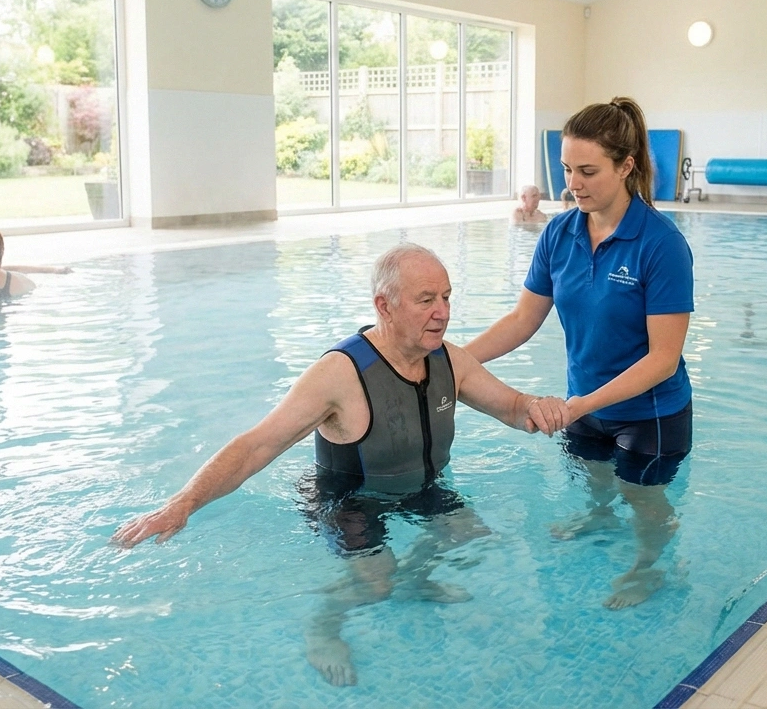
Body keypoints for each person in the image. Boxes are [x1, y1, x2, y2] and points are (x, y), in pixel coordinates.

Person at [112, 243, 569, 688]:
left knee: (471, 537)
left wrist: (538, 407)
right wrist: (184, 502)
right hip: (350, 500)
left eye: (447, 297)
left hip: (420, 486)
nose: (443, 312)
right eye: (426, 300)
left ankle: (417, 579)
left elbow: (511, 406)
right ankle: (323, 627)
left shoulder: (450, 360)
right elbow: (257, 445)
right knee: (375, 584)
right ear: (384, 306)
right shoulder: (340, 373)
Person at [465, 97, 695, 611]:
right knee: (594, 483)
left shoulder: (660, 245)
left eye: (589, 171)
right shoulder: (559, 233)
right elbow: (524, 319)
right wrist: (457, 358)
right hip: (583, 403)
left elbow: (662, 358)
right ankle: (598, 517)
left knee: (646, 502)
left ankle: (650, 568)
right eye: (568, 169)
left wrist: (582, 406)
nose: (574, 183)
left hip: (649, 412)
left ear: (627, 165)